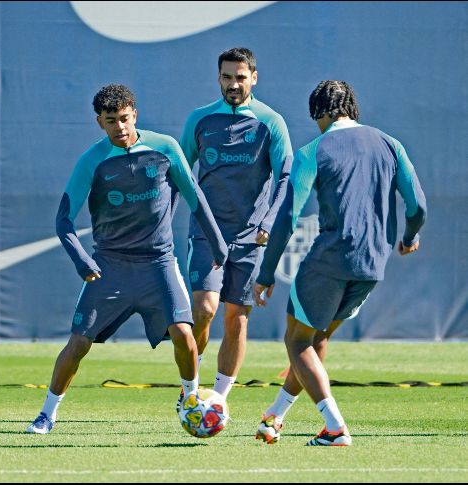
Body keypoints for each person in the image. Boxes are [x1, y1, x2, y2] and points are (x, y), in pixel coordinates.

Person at [26, 83, 228, 434]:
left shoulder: (165, 148)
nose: (119, 127)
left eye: (124, 118)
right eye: (110, 121)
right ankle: (47, 413)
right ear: (99, 122)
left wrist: (218, 243)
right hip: (110, 267)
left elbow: (195, 196)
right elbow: (63, 220)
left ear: (134, 113)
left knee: (184, 332)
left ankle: (192, 400)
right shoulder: (93, 160)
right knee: (79, 343)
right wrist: (80, 260)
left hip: (159, 263)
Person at [252, 80, 426, 446]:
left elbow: (288, 216)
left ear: (321, 113)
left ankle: (334, 427)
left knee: (297, 340)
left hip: (331, 258)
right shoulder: (391, 144)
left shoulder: (314, 149)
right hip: (372, 264)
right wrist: (409, 237)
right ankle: (276, 415)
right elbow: (417, 207)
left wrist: (266, 273)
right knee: (315, 339)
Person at [178, 47, 293, 408]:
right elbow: (179, 172)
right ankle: (189, 390)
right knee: (205, 310)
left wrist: (268, 221)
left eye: (240, 77)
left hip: (250, 237)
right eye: (227, 77)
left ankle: (218, 400)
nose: (233, 84)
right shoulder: (200, 120)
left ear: (253, 78)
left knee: (237, 318)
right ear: (218, 78)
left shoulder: (270, 122)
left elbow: (286, 176)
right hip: (207, 232)